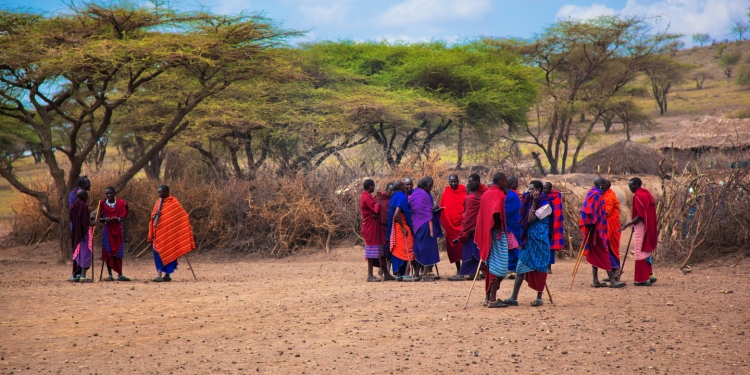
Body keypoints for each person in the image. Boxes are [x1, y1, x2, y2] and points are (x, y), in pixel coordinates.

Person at [504, 180, 552, 307]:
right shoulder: (526, 201)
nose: (529, 191)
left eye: (532, 189)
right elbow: (522, 218)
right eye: (529, 189)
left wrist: (535, 202)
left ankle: (539, 298)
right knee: (520, 267)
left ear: (539, 190)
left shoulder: (545, 205)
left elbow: (530, 219)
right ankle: (513, 297)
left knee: (540, 268)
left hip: (540, 240)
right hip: (528, 240)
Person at [580, 177, 625, 288]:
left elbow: (589, 210)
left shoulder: (591, 193)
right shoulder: (597, 195)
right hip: (598, 228)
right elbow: (599, 212)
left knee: (596, 252)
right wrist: (594, 224)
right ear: (601, 185)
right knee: (604, 252)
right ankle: (613, 280)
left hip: (593, 226)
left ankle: (596, 280)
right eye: (604, 184)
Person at [148, 185, 195, 282]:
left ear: (166, 192)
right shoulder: (158, 202)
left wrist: (177, 230)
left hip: (170, 235)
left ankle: (167, 275)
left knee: (170, 251)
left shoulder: (174, 203)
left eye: (161, 193)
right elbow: (153, 216)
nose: (159, 195)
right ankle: (159, 275)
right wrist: (154, 216)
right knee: (158, 253)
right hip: (159, 234)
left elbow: (183, 216)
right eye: (158, 193)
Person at [475, 172, 509, 308]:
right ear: (500, 181)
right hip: (496, 233)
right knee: (499, 266)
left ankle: (488, 298)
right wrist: (498, 224)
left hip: (486, 234)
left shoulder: (486, 194)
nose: (506, 184)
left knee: (490, 265)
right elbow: (496, 212)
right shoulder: (498, 194)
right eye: (505, 181)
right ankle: (493, 300)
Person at [620, 177, 659, 286]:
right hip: (649, 226)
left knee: (640, 250)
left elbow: (640, 216)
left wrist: (627, 225)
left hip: (642, 226)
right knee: (645, 250)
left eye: (631, 186)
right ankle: (650, 275)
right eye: (629, 185)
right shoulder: (646, 194)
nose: (630, 188)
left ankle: (643, 279)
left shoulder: (638, 197)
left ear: (637, 185)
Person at [360, 179, 394, 282]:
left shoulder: (368, 196)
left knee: (380, 250)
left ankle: (387, 274)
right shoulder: (366, 197)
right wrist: (378, 200)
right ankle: (370, 275)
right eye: (373, 186)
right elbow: (376, 210)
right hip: (370, 228)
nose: (374, 188)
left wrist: (376, 210)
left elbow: (375, 212)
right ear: (370, 187)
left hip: (374, 226)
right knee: (372, 251)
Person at [409, 177, 441, 281]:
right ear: (424, 186)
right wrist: (436, 207)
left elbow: (413, 209)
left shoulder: (413, 195)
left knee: (419, 248)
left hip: (416, 226)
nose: (430, 187)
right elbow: (429, 210)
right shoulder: (425, 195)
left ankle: (417, 273)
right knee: (428, 248)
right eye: (428, 186)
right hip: (427, 224)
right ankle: (425, 276)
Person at [98, 186, 131, 281]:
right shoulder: (102, 204)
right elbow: (99, 218)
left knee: (118, 252)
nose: (108, 195)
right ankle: (110, 275)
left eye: (110, 193)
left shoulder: (121, 203)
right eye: (107, 193)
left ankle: (120, 274)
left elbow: (125, 216)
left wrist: (118, 219)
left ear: (114, 193)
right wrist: (104, 219)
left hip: (117, 230)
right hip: (107, 230)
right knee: (108, 252)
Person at [387, 181, 418, 281]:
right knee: (410, 249)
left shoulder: (394, 197)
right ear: (401, 186)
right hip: (401, 227)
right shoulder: (401, 197)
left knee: (398, 250)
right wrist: (403, 228)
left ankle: (399, 274)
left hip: (395, 228)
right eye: (404, 185)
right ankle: (406, 274)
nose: (406, 186)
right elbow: (396, 214)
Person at [453, 182, 482, 279]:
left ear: (468, 190)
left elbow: (467, 216)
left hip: (469, 230)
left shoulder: (468, 198)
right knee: (476, 251)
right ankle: (474, 273)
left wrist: (463, 233)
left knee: (468, 252)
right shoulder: (479, 199)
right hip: (477, 229)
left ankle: (462, 273)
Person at [440, 174, 467, 280]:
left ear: (458, 181)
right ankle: (458, 270)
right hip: (451, 226)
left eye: (455, 181)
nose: (453, 184)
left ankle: (466, 270)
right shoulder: (446, 191)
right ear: (449, 182)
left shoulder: (463, 190)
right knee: (455, 249)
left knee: (465, 248)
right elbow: (443, 207)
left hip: (462, 225)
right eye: (451, 182)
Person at [70, 189, 94, 282]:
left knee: (78, 252)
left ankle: (77, 274)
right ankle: (83, 276)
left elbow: (75, 219)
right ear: (84, 197)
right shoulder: (83, 205)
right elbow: (84, 221)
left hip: (76, 232)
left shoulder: (73, 206)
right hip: (84, 233)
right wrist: (91, 223)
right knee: (85, 251)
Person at [602, 180, 622, 281]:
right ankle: (614, 272)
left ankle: (616, 270)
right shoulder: (606, 194)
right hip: (609, 225)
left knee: (610, 248)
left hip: (611, 226)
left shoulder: (609, 196)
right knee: (610, 248)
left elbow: (607, 212)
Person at [543, 182, 565, 273]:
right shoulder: (540, 197)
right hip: (542, 223)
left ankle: (549, 267)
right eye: (543, 188)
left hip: (552, 223)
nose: (544, 190)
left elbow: (557, 212)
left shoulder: (555, 197)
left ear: (550, 188)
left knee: (550, 246)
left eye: (546, 188)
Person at [505, 177, 522, 280]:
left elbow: (510, 210)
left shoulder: (513, 196)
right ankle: (510, 269)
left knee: (515, 246)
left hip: (513, 224)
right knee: (509, 247)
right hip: (507, 225)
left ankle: (516, 269)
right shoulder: (507, 195)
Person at [377, 182, 395, 274]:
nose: (392, 192)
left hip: (391, 227)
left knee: (390, 248)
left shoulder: (394, 200)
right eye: (390, 190)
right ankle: (383, 268)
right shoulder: (380, 198)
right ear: (386, 190)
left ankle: (387, 269)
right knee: (383, 249)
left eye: (394, 190)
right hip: (381, 227)